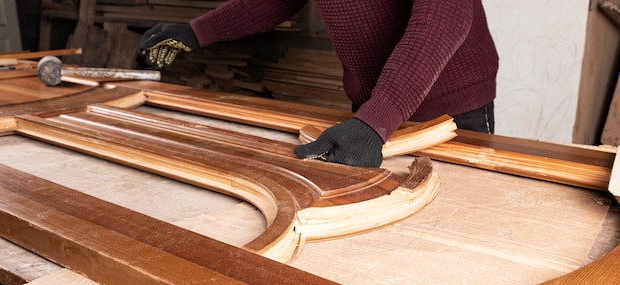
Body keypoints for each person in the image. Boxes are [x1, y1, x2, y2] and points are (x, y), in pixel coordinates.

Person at [139, 0, 499, 168]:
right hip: (375, 110)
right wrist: (199, 31)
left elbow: (444, 16)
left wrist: (378, 119)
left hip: (449, 107)